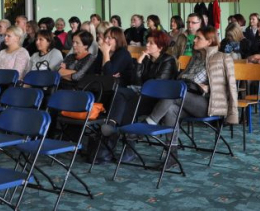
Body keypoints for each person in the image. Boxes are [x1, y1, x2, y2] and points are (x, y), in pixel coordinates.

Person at [145, 26, 238, 168]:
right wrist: (193, 84)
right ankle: (172, 155)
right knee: (171, 109)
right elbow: (184, 78)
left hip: (209, 104)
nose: (194, 40)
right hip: (188, 98)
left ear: (209, 41)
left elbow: (230, 86)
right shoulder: (196, 57)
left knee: (176, 93)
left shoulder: (223, 58)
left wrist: (230, 113)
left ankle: (150, 122)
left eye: (198, 38)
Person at [97, 30, 177, 162]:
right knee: (120, 92)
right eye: (147, 42)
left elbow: (157, 85)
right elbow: (135, 82)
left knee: (129, 101)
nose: (147, 45)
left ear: (160, 47)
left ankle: (124, 145)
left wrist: (140, 71)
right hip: (141, 94)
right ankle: (112, 125)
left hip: (156, 100)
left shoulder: (168, 60)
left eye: (151, 43)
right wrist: (139, 63)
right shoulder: (145, 59)